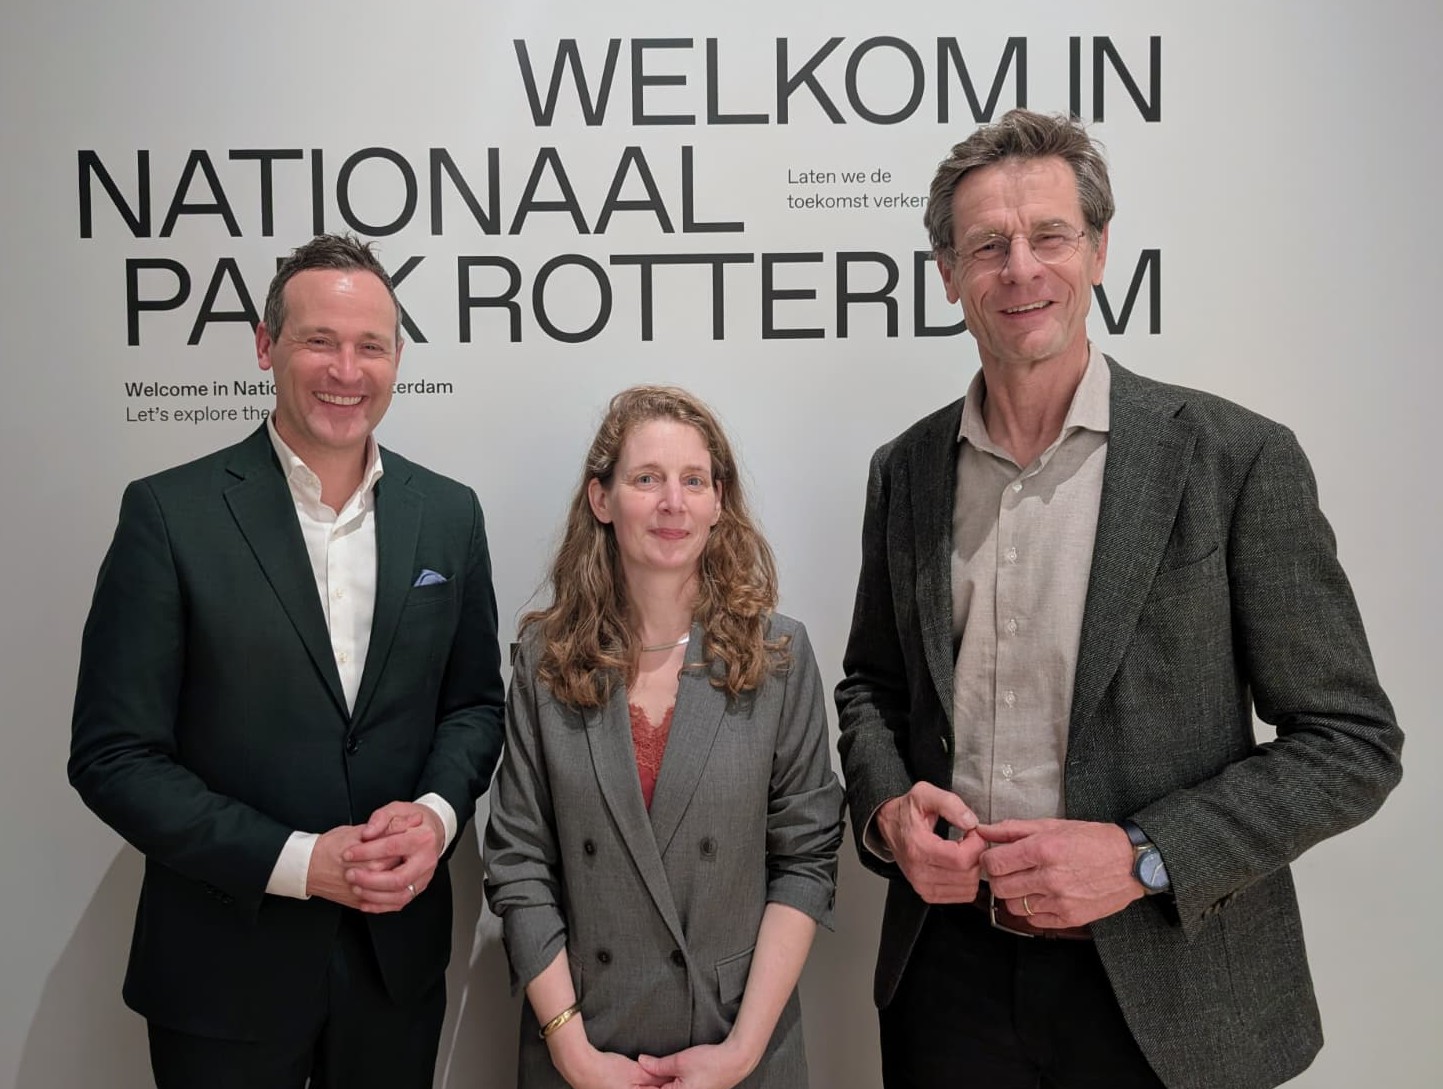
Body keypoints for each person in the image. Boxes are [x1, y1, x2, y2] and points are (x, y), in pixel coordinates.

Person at [834, 109, 1403, 1089]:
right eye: (988, 245)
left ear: (1099, 251)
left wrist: (1142, 855)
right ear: (948, 274)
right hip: (948, 979)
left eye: (1049, 235)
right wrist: (888, 813)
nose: (1021, 268)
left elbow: (1350, 743)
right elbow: (871, 688)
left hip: (1169, 983)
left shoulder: (1234, 458)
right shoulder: (908, 468)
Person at [69, 233, 506, 1089]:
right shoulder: (169, 515)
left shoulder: (449, 514)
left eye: (370, 345)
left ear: (397, 358)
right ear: (266, 346)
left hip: (394, 967)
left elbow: (473, 706)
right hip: (223, 973)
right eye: (319, 340)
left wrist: (434, 815)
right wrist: (301, 862)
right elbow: (114, 757)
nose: (346, 369)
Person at [484, 386, 843, 1089]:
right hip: (584, 1043)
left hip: (740, 1043)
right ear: (602, 499)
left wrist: (740, 1051)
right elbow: (518, 862)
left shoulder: (777, 656)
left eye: (693, 481)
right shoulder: (547, 661)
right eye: (647, 479)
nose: (672, 503)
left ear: (718, 502)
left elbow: (806, 860)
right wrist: (573, 1052)